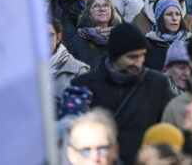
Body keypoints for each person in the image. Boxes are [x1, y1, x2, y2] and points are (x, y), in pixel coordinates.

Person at [71, 22, 171, 164]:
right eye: (132, 57)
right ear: (115, 56)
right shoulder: (84, 84)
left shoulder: (157, 83)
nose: (139, 62)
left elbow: (162, 128)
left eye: (142, 55)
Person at [66, 0, 122, 68]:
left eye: (106, 5)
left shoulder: (122, 37)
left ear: (111, 10)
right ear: (89, 12)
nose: (102, 9)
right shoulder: (76, 41)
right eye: (96, 6)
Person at [49, 19, 89, 106]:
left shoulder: (78, 70)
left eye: (49, 35)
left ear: (58, 38)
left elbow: (80, 109)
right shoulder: (23, 70)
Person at [145, 0, 191, 71]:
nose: (174, 18)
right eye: (169, 14)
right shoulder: (148, 44)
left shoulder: (190, 42)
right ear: (159, 18)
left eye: (178, 14)